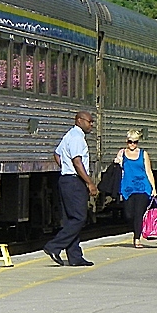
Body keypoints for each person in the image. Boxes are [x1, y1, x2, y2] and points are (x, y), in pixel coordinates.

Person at [44, 111, 97, 267]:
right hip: (75, 182)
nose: (92, 125)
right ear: (79, 120)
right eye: (90, 121)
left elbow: (57, 154)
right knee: (79, 218)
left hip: (66, 180)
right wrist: (89, 182)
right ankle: (54, 246)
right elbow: (77, 162)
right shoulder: (76, 138)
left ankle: (75, 256)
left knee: (70, 220)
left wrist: (64, 168)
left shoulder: (69, 135)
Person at [116, 130, 157, 248]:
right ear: (126, 141)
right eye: (130, 142)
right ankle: (136, 228)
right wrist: (117, 161)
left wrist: (153, 188)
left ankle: (137, 238)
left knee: (139, 213)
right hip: (128, 187)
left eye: (135, 142)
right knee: (129, 214)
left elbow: (148, 171)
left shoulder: (143, 154)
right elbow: (117, 167)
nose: (132, 144)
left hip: (142, 187)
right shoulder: (122, 153)